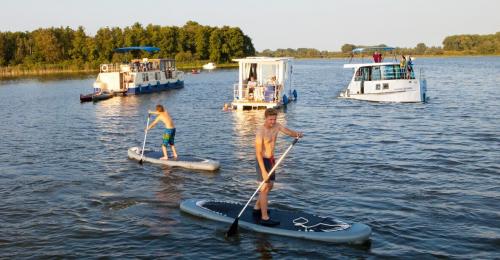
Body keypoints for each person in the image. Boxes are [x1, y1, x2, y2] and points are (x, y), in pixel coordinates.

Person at [253, 108, 303, 226]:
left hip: (271, 160)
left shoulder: (277, 126)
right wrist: (264, 171)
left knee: (270, 186)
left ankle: (257, 207)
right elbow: (258, 153)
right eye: (270, 119)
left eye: (274, 119)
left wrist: (297, 134)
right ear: (265, 118)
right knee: (264, 188)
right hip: (262, 161)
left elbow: (288, 131)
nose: (272, 121)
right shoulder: (261, 132)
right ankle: (264, 218)